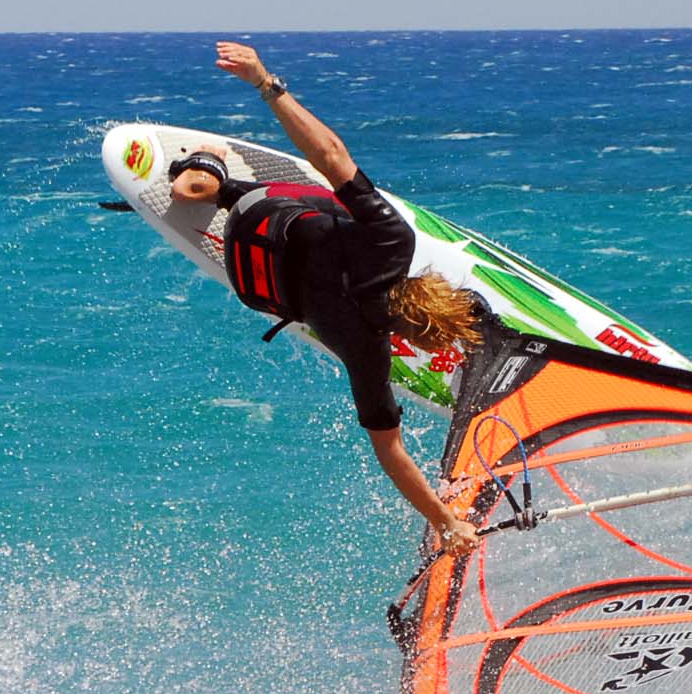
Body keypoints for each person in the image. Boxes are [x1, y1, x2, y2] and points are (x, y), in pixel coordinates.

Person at [168, 41, 483, 557]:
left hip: (259, 212)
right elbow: (391, 454)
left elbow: (330, 155)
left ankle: (210, 173)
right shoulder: (367, 351)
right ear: (406, 334)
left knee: (250, 192)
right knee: (234, 204)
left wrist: (266, 84)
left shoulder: (391, 244)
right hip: (258, 280)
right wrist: (445, 522)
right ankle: (202, 181)